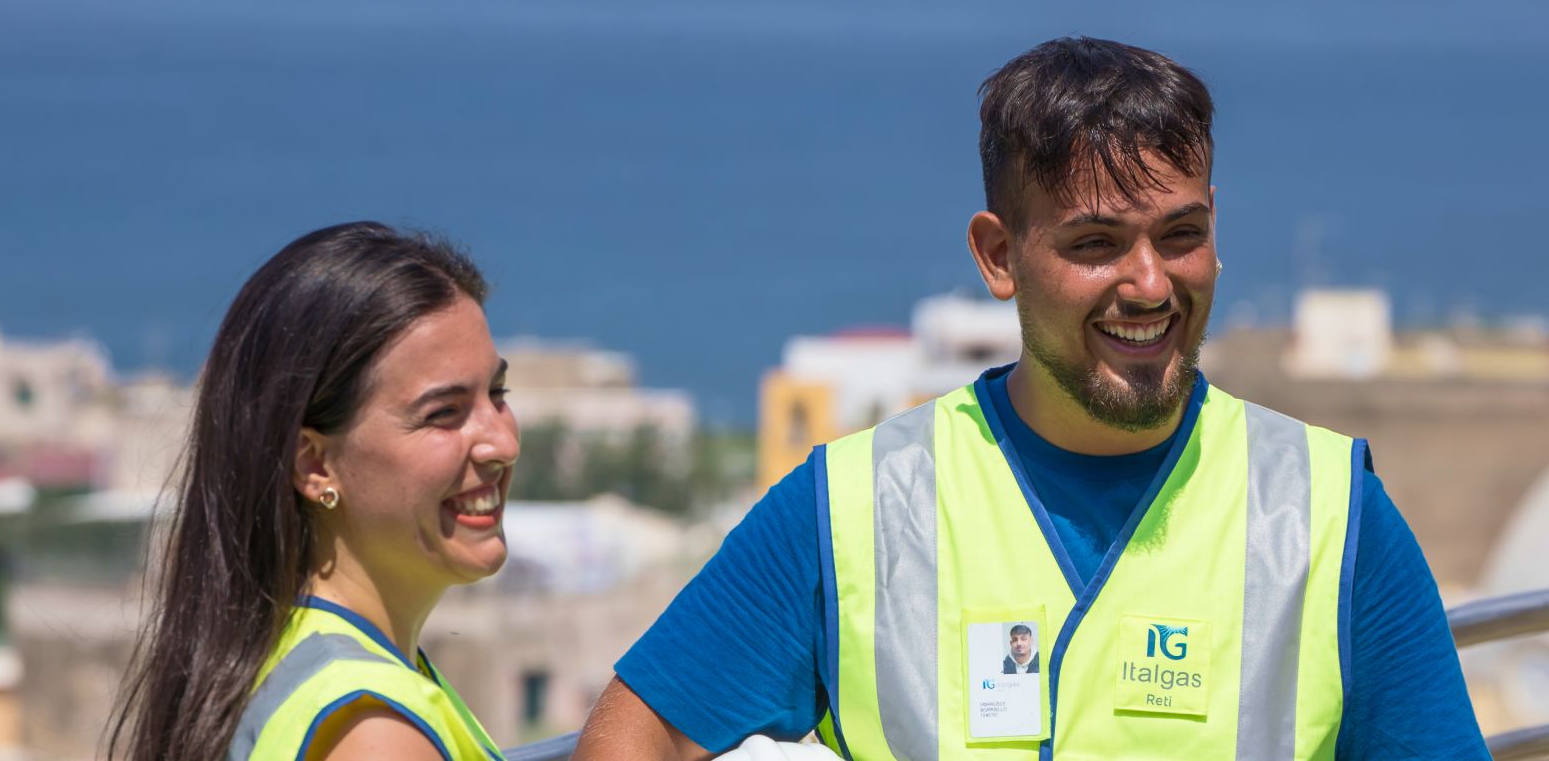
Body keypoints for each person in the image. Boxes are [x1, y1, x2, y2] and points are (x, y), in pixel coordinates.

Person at [576, 38, 1489, 760]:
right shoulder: (855, 508)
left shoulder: (1331, 515)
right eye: (1096, 243)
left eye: (1181, 234)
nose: (1149, 285)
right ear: (998, 255)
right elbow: (636, 734)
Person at [111, 222, 518, 761]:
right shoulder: (371, 731)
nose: (501, 442)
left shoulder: (286, 663)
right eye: (444, 414)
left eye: (497, 393)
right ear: (314, 464)